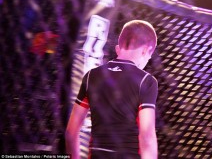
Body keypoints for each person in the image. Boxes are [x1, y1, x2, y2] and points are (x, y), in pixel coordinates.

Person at [65, 20, 158, 159]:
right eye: (149, 56)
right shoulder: (146, 81)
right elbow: (147, 136)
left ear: (118, 48)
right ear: (146, 50)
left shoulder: (91, 76)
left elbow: (71, 133)